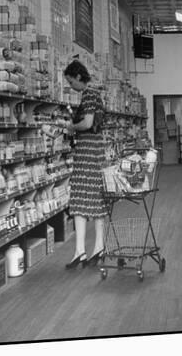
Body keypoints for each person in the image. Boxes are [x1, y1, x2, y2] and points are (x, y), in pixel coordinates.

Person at [63, 60, 108, 269]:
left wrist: (72, 127)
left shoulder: (89, 95)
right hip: (93, 150)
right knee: (92, 198)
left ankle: (86, 249)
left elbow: (88, 123)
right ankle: (90, 249)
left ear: (79, 77)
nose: (71, 86)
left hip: (87, 151)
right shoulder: (94, 95)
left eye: (72, 82)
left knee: (81, 197)